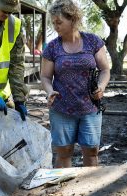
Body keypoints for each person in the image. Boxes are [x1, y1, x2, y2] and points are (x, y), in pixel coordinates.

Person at [40, 0, 110, 168]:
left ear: (73, 19)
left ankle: (89, 190)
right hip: (62, 109)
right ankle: (62, 192)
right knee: (64, 153)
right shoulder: (52, 47)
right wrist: (50, 91)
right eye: (53, 23)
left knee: (91, 152)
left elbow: (105, 70)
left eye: (59, 22)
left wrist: (101, 86)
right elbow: (45, 76)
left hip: (90, 108)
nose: (55, 27)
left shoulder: (93, 41)